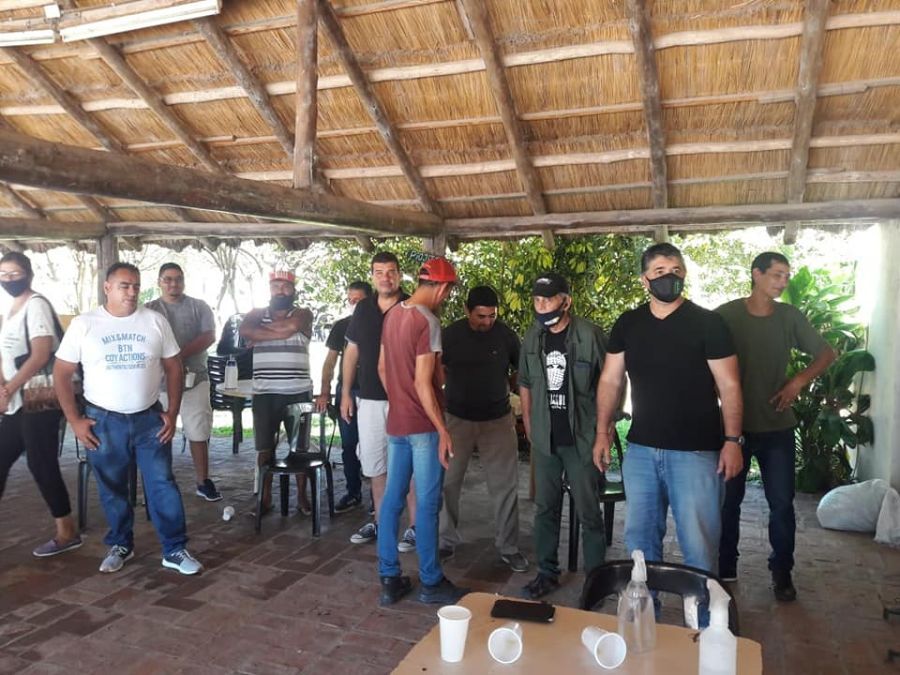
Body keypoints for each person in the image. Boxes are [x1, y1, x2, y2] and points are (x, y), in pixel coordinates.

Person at [593, 243, 743, 579]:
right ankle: (647, 609)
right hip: (641, 451)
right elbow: (610, 380)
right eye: (659, 271)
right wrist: (602, 432)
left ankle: (703, 611)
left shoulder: (709, 323)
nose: (668, 277)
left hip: (696, 453)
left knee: (699, 547)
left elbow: (730, 386)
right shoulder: (629, 323)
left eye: (675, 271)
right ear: (644, 280)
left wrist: (733, 440)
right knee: (640, 545)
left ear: (684, 274)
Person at [54, 262, 201, 575]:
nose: (132, 292)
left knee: (162, 484)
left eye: (136, 286)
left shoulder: (155, 321)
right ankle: (121, 544)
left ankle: (174, 549)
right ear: (107, 288)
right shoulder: (85, 324)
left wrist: (172, 412)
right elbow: (62, 373)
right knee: (113, 487)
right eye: (124, 286)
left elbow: (174, 366)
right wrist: (74, 420)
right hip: (103, 422)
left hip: (149, 419)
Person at [717, 252, 836, 601]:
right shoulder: (725, 316)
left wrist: (797, 382)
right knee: (728, 503)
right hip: (733, 431)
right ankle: (725, 568)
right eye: (777, 275)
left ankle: (782, 572)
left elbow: (827, 353)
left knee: (782, 505)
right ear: (757, 274)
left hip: (778, 428)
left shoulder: (789, 316)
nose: (783, 282)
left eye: (787, 276)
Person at [376, 257, 467, 605]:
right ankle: (431, 581)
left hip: (397, 422)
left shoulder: (392, 315)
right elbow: (424, 383)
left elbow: (382, 369)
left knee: (392, 500)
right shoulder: (427, 320)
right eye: (449, 291)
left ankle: (389, 578)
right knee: (428, 504)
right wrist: (442, 429)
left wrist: (399, 402)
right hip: (423, 427)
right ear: (442, 288)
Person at [518, 272, 608, 599]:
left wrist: (604, 432)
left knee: (589, 512)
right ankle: (547, 573)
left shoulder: (589, 335)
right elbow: (525, 382)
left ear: (566, 301)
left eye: (549, 299)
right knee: (545, 508)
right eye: (537, 300)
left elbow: (611, 383)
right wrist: (529, 423)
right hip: (546, 438)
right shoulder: (533, 336)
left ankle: (596, 580)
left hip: (582, 439)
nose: (542, 306)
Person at [439, 285, 528, 572]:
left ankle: (509, 547)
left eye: (492, 316)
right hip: (456, 420)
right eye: (481, 316)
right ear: (467, 310)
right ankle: (444, 541)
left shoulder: (506, 336)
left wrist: (512, 393)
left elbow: (521, 371)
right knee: (447, 483)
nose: (487, 322)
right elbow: (435, 370)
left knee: (505, 486)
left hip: (497, 420)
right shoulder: (450, 335)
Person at [0, 252, 81, 558]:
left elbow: (41, 354)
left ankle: (67, 531)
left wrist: (9, 387)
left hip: (40, 398)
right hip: (18, 401)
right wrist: (4, 388)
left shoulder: (36, 305)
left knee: (41, 462)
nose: (9, 280)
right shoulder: (11, 309)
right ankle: (66, 529)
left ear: (29, 275)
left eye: (15, 274)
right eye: (4, 275)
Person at [340, 252, 416, 550]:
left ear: (399, 275)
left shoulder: (413, 306)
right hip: (370, 400)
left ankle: (414, 527)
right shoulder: (363, 309)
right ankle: (382, 523)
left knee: (411, 467)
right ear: (372, 276)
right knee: (375, 465)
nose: (386, 277)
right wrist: (346, 393)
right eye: (379, 272)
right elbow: (351, 353)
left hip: (406, 401)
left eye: (391, 271)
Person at [239, 269, 314, 515]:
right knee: (264, 449)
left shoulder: (303, 314)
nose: (280, 291)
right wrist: (280, 331)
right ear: (269, 289)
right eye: (275, 286)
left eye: (285, 287)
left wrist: (261, 332)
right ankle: (265, 498)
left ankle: (302, 497)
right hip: (265, 393)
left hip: (298, 391)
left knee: (299, 448)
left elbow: (292, 326)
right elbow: (245, 331)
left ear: (293, 289)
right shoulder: (255, 314)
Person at [146, 262, 221, 502]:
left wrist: (178, 356)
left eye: (178, 279)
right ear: (159, 282)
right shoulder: (148, 310)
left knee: (199, 431)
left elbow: (209, 336)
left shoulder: (199, 307)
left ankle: (203, 481)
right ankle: (159, 483)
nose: (173, 283)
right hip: (159, 384)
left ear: (184, 281)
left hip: (195, 380)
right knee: (159, 434)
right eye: (167, 279)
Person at [315, 280, 372, 513]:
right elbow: (329, 362)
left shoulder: (382, 322)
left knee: (375, 445)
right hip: (346, 392)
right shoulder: (341, 326)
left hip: (373, 393)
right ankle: (353, 491)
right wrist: (325, 391)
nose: (353, 304)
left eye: (358, 300)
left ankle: (378, 497)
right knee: (349, 445)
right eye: (350, 300)